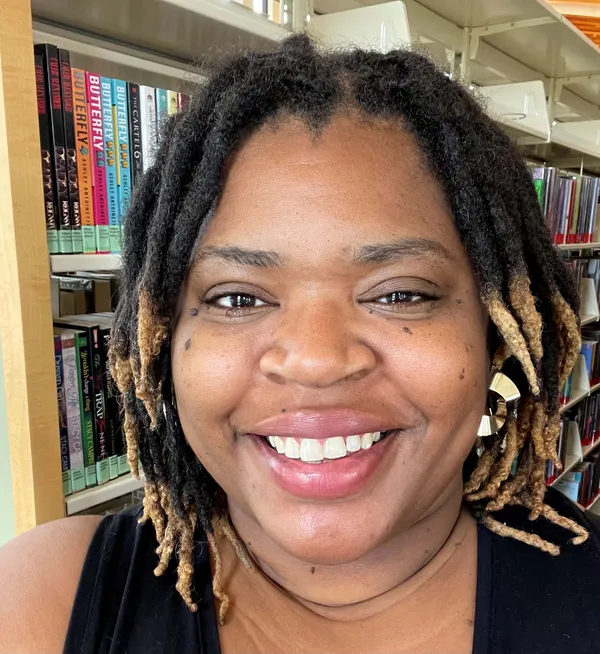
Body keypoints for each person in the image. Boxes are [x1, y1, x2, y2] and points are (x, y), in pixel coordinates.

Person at [1, 34, 600, 654]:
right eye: (237, 297)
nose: (315, 361)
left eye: (399, 294)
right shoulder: (42, 606)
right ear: (160, 343)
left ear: (495, 332)